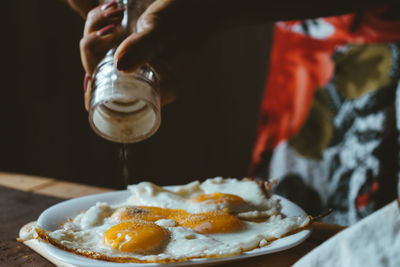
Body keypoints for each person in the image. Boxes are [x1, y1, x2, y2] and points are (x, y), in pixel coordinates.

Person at [66, 0, 400, 225]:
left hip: (381, 50)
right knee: (292, 225)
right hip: (313, 60)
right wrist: (120, 11)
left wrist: (209, 9)